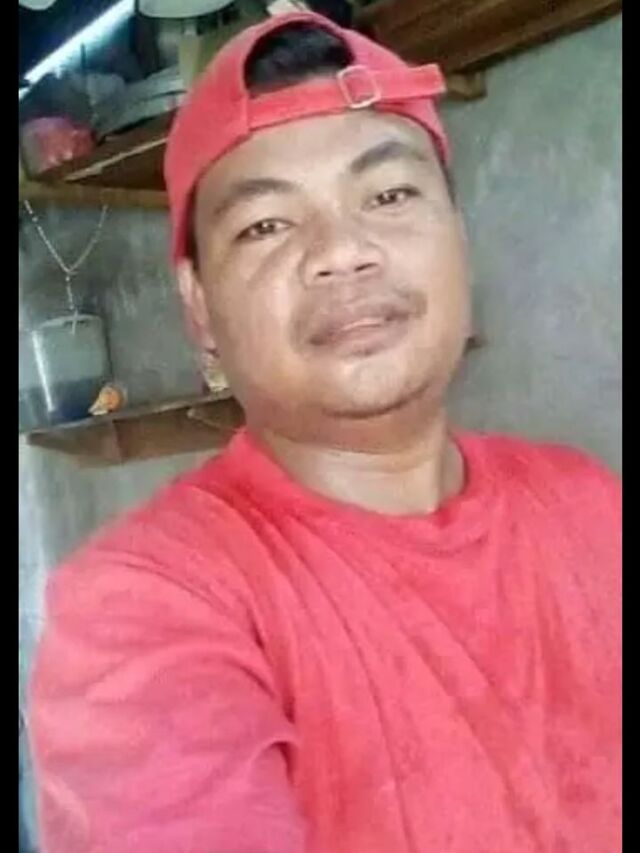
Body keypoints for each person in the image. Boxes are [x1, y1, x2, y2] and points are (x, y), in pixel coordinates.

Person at [28, 11, 621, 853]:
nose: (343, 251)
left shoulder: (587, 503)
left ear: (459, 237)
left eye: (389, 195)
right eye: (266, 225)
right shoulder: (141, 606)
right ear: (200, 309)